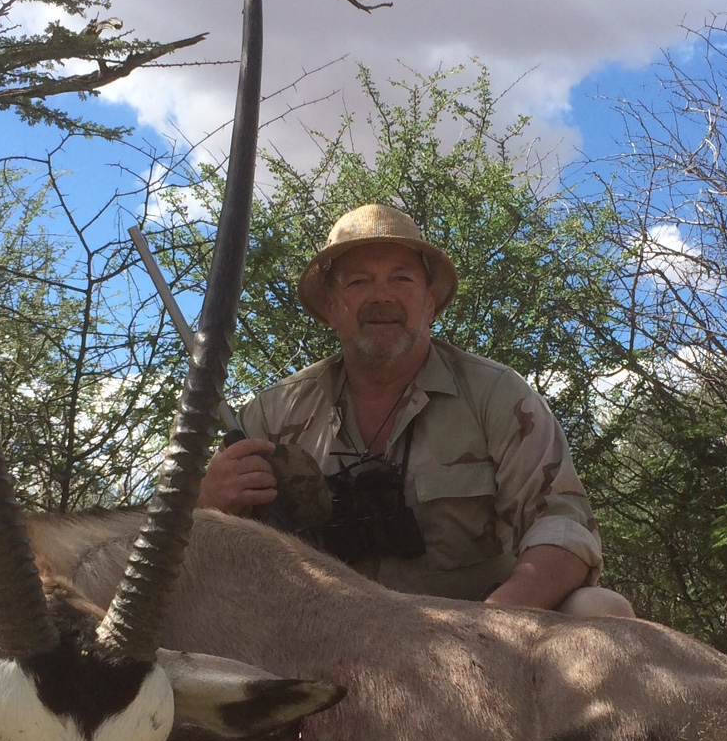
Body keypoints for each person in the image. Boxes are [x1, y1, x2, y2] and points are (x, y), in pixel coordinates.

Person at [197, 204, 633, 617]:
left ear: (429, 302)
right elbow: (197, 551)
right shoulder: (271, 413)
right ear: (331, 308)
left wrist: (488, 627)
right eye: (358, 282)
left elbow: (564, 529)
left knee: (601, 610)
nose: (381, 296)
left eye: (401, 279)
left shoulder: (497, 394)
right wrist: (205, 500)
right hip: (322, 635)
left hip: (479, 630)